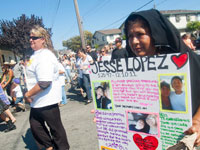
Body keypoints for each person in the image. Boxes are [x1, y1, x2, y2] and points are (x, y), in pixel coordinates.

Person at [124, 9, 200, 146]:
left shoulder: (186, 60)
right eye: (130, 36)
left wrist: (198, 121)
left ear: (155, 34)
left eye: (140, 34)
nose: (134, 41)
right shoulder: (128, 69)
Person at [24, 25, 70, 150]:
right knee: (36, 127)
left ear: (43, 39)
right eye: (30, 37)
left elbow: (44, 82)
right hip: (37, 101)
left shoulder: (44, 55)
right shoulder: (35, 55)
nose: (31, 40)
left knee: (56, 129)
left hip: (47, 100)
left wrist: (28, 94)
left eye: (34, 37)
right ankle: (49, 147)